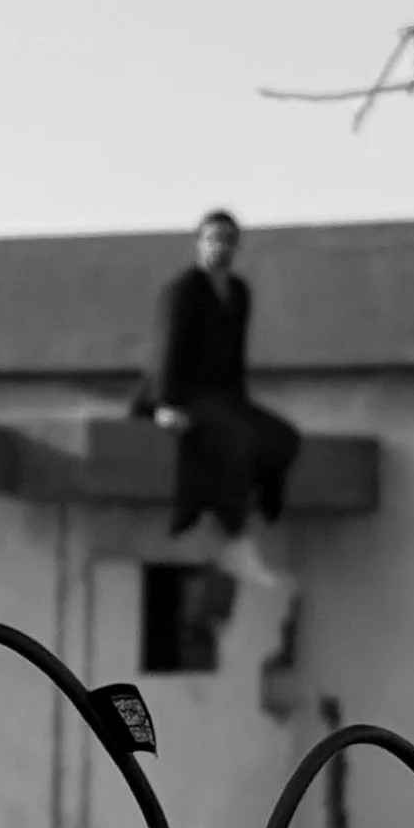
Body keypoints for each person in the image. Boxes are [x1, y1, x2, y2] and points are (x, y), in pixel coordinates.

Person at [128, 209, 303, 592]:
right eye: (212, 238)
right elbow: (165, 349)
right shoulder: (183, 290)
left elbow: (235, 358)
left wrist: (243, 403)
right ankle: (231, 535)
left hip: (223, 397)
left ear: (236, 246)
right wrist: (163, 406)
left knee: (283, 439)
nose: (219, 246)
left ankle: (258, 512)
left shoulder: (238, 293)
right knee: (238, 438)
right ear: (199, 243)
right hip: (184, 395)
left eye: (227, 239)